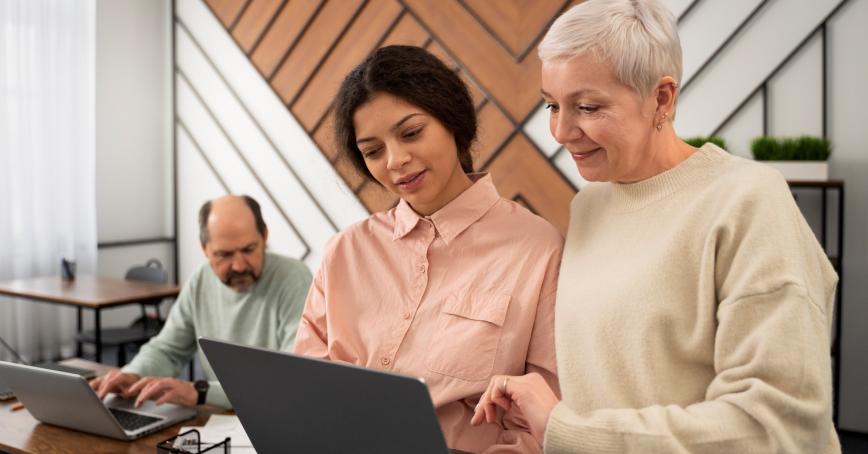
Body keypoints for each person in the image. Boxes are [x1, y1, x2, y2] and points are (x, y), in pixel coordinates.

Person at [472, 1, 840, 452]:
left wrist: (565, 430)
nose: (561, 131)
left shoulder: (748, 202)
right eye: (552, 105)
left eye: (587, 106)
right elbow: (618, 386)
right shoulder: (590, 206)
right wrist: (541, 416)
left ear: (661, 97)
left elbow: (778, 425)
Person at [292, 45, 562, 453]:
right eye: (373, 151)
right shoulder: (345, 251)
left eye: (411, 133)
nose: (396, 160)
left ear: (452, 119)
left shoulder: (536, 247)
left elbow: (541, 422)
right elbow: (306, 390)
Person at [90, 195, 312, 409]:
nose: (239, 265)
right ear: (204, 249)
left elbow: (289, 378)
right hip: (222, 415)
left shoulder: (294, 279)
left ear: (264, 237)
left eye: (248, 249)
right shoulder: (201, 279)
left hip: (276, 412)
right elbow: (168, 349)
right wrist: (133, 374)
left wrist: (201, 392)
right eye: (224, 254)